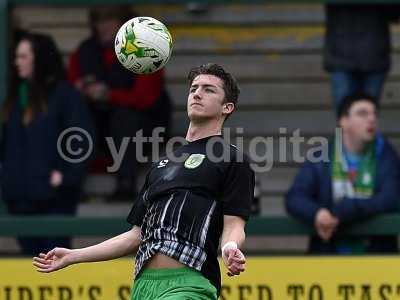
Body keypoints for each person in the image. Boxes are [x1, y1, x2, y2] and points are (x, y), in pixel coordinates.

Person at [33, 63, 255, 299]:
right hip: (143, 286)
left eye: (209, 90)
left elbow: (234, 225)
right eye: (193, 88)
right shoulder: (163, 163)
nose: (197, 93)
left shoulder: (232, 159)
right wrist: (73, 256)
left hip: (188, 285)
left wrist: (230, 247)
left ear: (227, 107)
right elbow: (135, 235)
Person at [1, 33, 93, 255]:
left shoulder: (65, 95)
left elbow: (81, 139)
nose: (17, 62)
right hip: (20, 198)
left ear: (38, 59)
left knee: (54, 259)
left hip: (55, 199)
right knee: (31, 259)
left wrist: (66, 176)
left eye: (23, 56)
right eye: (16, 57)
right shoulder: (15, 96)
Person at [68, 6, 172, 199]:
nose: (103, 27)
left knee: (125, 116)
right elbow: (68, 90)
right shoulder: (84, 51)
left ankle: (126, 183)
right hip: (100, 127)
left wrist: (109, 95)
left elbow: (146, 99)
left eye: (109, 21)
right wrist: (81, 90)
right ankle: (71, 183)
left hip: (143, 126)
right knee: (77, 114)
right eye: (99, 21)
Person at [285, 93, 400, 254]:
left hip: (376, 260)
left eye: (374, 113)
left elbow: (391, 198)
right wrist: (318, 213)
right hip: (328, 258)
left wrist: (350, 209)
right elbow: (295, 197)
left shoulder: (387, 156)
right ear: (343, 121)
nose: (372, 119)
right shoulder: (321, 156)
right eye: (362, 113)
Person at [323, 4, 400, 111]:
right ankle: (339, 129)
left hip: (372, 54)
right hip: (344, 54)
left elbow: (394, 14)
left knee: (366, 115)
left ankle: (341, 128)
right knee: (343, 115)